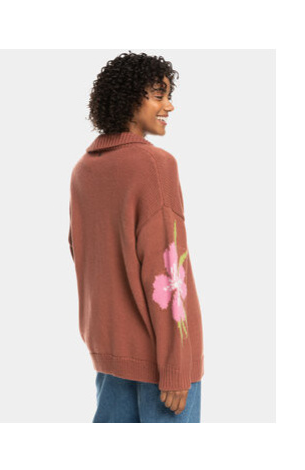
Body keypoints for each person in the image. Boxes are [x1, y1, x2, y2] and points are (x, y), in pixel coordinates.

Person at [68, 51, 204, 423]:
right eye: (159, 95)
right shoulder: (155, 165)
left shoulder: (83, 170)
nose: (169, 106)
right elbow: (168, 267)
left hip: (110, 356)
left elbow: (83, 257)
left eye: (169, 96)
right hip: (161, 363)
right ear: (130, 99)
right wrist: (176, 365)